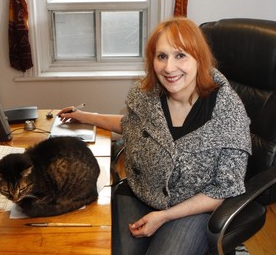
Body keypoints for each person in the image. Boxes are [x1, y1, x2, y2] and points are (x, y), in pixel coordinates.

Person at [57, 17, 251, 255]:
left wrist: (164, 217)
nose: (169, 68)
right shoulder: (149, 96)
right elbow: (131, 126)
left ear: (199, 58)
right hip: (142, 192)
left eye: (180, 55)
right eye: (162, 56)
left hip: (193, 207)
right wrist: (84, 116)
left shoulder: (228, 110)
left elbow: (222, 189)